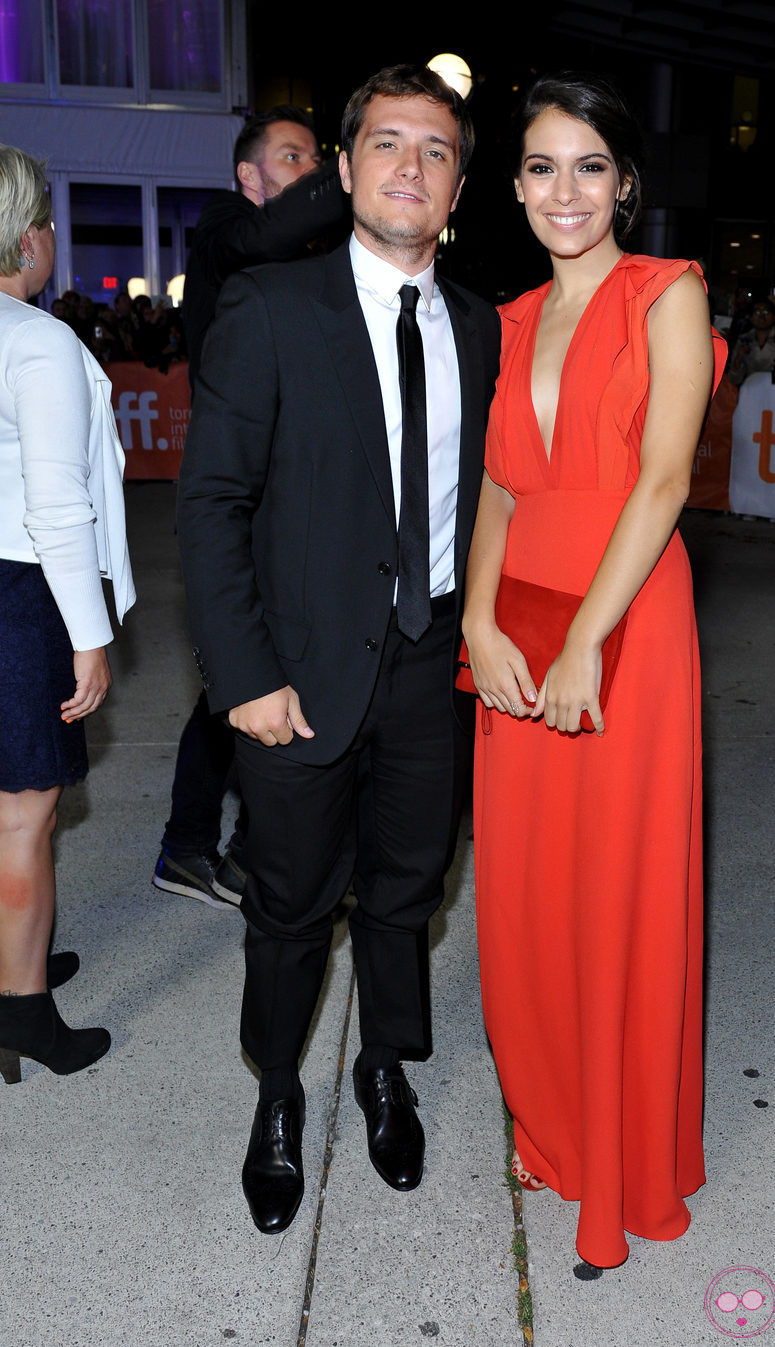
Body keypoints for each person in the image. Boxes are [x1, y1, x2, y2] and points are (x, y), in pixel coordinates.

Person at [177, 65, 500, 1235]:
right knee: (288, 904)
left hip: (429, 670)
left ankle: (386, 1066)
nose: (409, 166)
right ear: (348, 167)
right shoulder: (269, 310)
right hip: (296, 678)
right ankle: (276, 1092)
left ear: (457, 186)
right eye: (387, 144)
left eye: (435, 150)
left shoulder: (477, 326)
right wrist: (243, 676)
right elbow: (209, 504)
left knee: (407, 893)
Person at [461, 73, 725, 1268]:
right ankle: (554, 1120)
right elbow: (504, 490)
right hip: (518, 625)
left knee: (616, 887)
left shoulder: (666, 293)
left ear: (623, 181)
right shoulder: (508, 318)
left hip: (627, 620)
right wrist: (477, 620)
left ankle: (618, 1153)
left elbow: (661, 482)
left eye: (585, 166)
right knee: (524, 888)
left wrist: (582, 643)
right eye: (537, 167)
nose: (561, 190)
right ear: (510, 185)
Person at [153, 105, 346, 910]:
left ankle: (233, 846)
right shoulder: (227, 225)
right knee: (240, 673)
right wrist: (351, 172)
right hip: (243, 491)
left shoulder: (298, 248)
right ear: (250, 175)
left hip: (290, 486)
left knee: (276, 667)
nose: (307, 170)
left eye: (315, 158)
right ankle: (193, 846)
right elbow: (267, 237)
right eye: (294, 157)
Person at [0, 144, 135, 1085]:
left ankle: (20, 965)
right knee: (22, 820)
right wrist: (90, 634)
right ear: (27, 233)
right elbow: (57, 503)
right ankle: (23, 1014)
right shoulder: (35, 341)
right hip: (20, 597)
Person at [726, 296, 775, 385]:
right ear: (751, 318)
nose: (761, 316)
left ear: (774, 317)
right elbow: (734, 380)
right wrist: (738, 359)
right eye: (757, 312)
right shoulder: (743, 339)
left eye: (766, 311)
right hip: (751, 391)